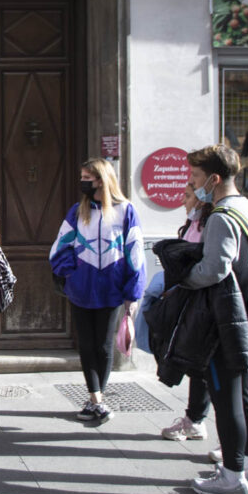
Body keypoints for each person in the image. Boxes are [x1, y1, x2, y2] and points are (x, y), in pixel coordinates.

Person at [181, 144, 248, 494]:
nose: (192, 183)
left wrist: (182, 276)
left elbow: (214, 269)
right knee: (244, 394)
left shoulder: (221, 215)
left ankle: (232, 479)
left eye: (196, 177)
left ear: (214, 179)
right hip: (246, 315)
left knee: (226, 397)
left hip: (223, 321)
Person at [49, 158, 146, 425]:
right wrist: (72, 274)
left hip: (111, 292)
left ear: (102, 180)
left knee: (103, 347)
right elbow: (60, 248)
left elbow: (135, 254)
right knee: (86, 345)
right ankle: (96, 399)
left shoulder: (126, 211)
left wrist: (133, 293)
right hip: (81, 291)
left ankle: (97, 399)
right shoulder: (78, 212)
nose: (82, 182)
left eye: (86, 178)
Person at [159, 184, 213, 442]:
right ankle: (194, 419)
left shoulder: (211, 224)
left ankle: (199, 422)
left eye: (187, 195)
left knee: (208, 370)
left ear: (201, 200)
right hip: (190, 301)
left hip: (204, 304)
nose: (183, 200)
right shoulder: (193, 223)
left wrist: (182, 278)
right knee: (196, 365)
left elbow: (207, 265)